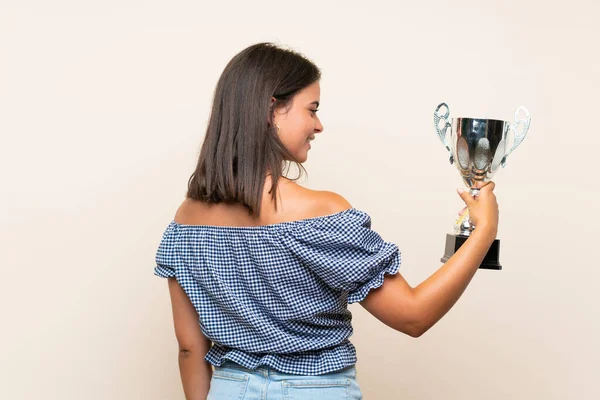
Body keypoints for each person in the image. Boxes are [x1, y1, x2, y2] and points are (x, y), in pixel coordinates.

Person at [153, 42, 499, 400]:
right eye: (312, 109)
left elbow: (190, 350)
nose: (318, 126)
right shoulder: (322, 213)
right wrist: (484, 231)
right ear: (272, 109)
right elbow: (413, 316)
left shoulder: (185, 222)